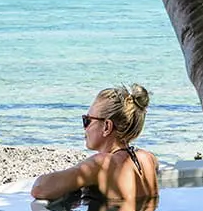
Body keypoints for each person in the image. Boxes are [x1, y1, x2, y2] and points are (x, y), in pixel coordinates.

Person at [30, 83, 159, 203]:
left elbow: (40, 188)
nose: (84, 128)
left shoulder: (102, 164)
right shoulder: (149, 158)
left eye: (87, 120)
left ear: (107, 127)